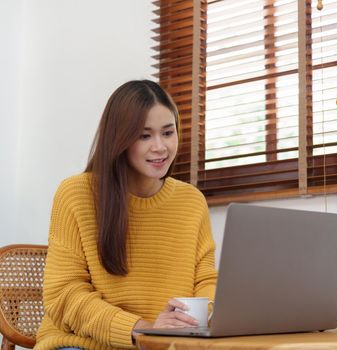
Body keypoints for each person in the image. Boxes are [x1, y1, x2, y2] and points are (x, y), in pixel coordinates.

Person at [35, 80, 217, 350]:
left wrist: (198, 321)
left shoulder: (191, 201)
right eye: (144, 136)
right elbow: (65, 294)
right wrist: (142, 329)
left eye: (168, 132)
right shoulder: (76, 193)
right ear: (118, 138)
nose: (160, 147)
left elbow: (206, 280)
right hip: (83, 344)